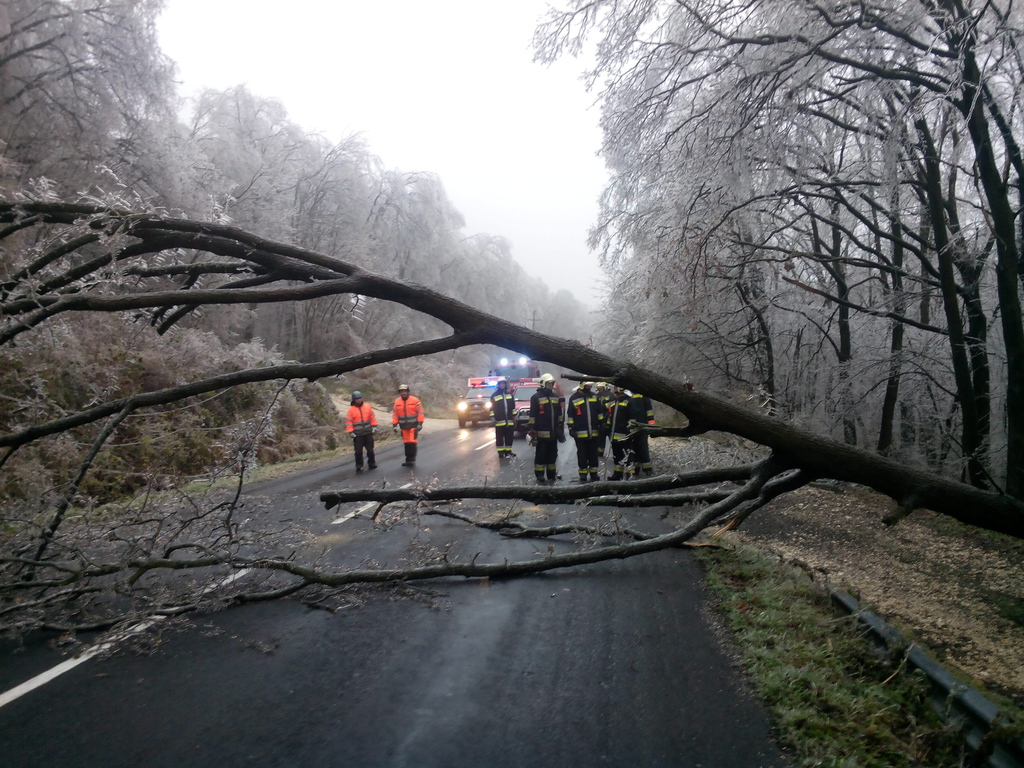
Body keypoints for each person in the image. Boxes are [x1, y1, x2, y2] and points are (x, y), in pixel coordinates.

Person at [528, 372, 564, 483]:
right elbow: (533, 415)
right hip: (541, 433)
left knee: (552, 456)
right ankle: (539, 475)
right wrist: (532, 429)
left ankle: (551, 475)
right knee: (541, 455)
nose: (551, 385)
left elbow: (559, 415)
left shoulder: (555, 397)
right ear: (543, 383)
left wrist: (560, 430)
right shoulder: (536, 397)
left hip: (553, 433)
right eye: (548, 383)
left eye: (552, 383)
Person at [566, 381, 605, 482]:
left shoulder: (594, 397)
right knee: (582, 454)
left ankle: (594, 473)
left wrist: (602, 425)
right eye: (588, 385)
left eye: (590, 386)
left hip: (594, 432)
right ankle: (583, 474)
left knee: (593, 454)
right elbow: (570, 415)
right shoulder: (574, 398)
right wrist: (571, 428)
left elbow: (600, 412)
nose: (590, 387)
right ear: (582, 385)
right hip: (580, 433)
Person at [391, 383, 425, 466]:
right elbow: (395, 415)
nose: (403, 393)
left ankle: (412, 459)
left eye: (405, 391)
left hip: (413, 425)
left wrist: (420, 423)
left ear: (408, 392)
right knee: (406, 443)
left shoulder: (415, 401)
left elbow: (420, 412)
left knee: (412, 442)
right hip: (404, 427)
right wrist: (394, 425)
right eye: (402, 391)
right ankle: (408, 460)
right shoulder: (397, 402)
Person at [345, 391, 378, 472]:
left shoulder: (367, 406)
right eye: (357, 399)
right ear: (354, 400)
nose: (359, 400)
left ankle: (372, 463)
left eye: (360, 398)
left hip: (368, 432)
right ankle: (359, 465)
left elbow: (372, 418)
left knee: (370, 450)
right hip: (358, 434)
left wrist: (374, 427)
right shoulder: (351, 410)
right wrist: (351, 432)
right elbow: (349, 422)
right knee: (358, 451)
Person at [607, 385, 636, 480]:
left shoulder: (629, 402)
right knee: (617, 456)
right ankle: (618, 474)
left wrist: (629, 432)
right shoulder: (614, 402)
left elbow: (633, 419)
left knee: (628, 455)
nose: (614, 389)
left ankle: (629, 474)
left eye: (615, 387)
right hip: (614, 436)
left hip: (625, 435)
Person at [490, 377, 517, 459]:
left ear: (506, 384)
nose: (502, 385)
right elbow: (491, 408)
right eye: (501, 383)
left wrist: (514, 416)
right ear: (498, 385)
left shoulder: (509, 394)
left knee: (509, 437)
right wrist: (492, 418)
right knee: (499, 438)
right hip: (499, 421)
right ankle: (501, 453)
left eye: (504, 383)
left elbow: (513, 407)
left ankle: (508, 451)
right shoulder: (494, 395)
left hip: (509, 420)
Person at [630, 390, 656, 475]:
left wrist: (651, 425)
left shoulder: (643, 396)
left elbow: (649, 410)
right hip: (632, 427)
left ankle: (647, 469)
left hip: (642, 426)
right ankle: (636, 468)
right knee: (634, 448)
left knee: (642, 447)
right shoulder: (628, 396)